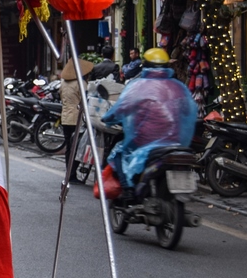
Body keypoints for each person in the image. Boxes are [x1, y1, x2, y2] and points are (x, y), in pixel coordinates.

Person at [101, 48, 197, 188]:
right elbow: (188, 110)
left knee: (118, 154)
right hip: (176, 142)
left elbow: (121, 108)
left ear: (145, 65)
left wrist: (108, 117)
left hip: (143, 141)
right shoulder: (179, 87)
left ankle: (128, 192)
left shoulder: (137, 86)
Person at [60, 57, 94, 182]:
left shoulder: (63, 83)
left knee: (69, 146)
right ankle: (72, 174)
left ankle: (69, 173)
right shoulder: (82, 83)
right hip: (77, 119)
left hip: (65, 117)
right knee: (77, 146)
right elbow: (86, 100)